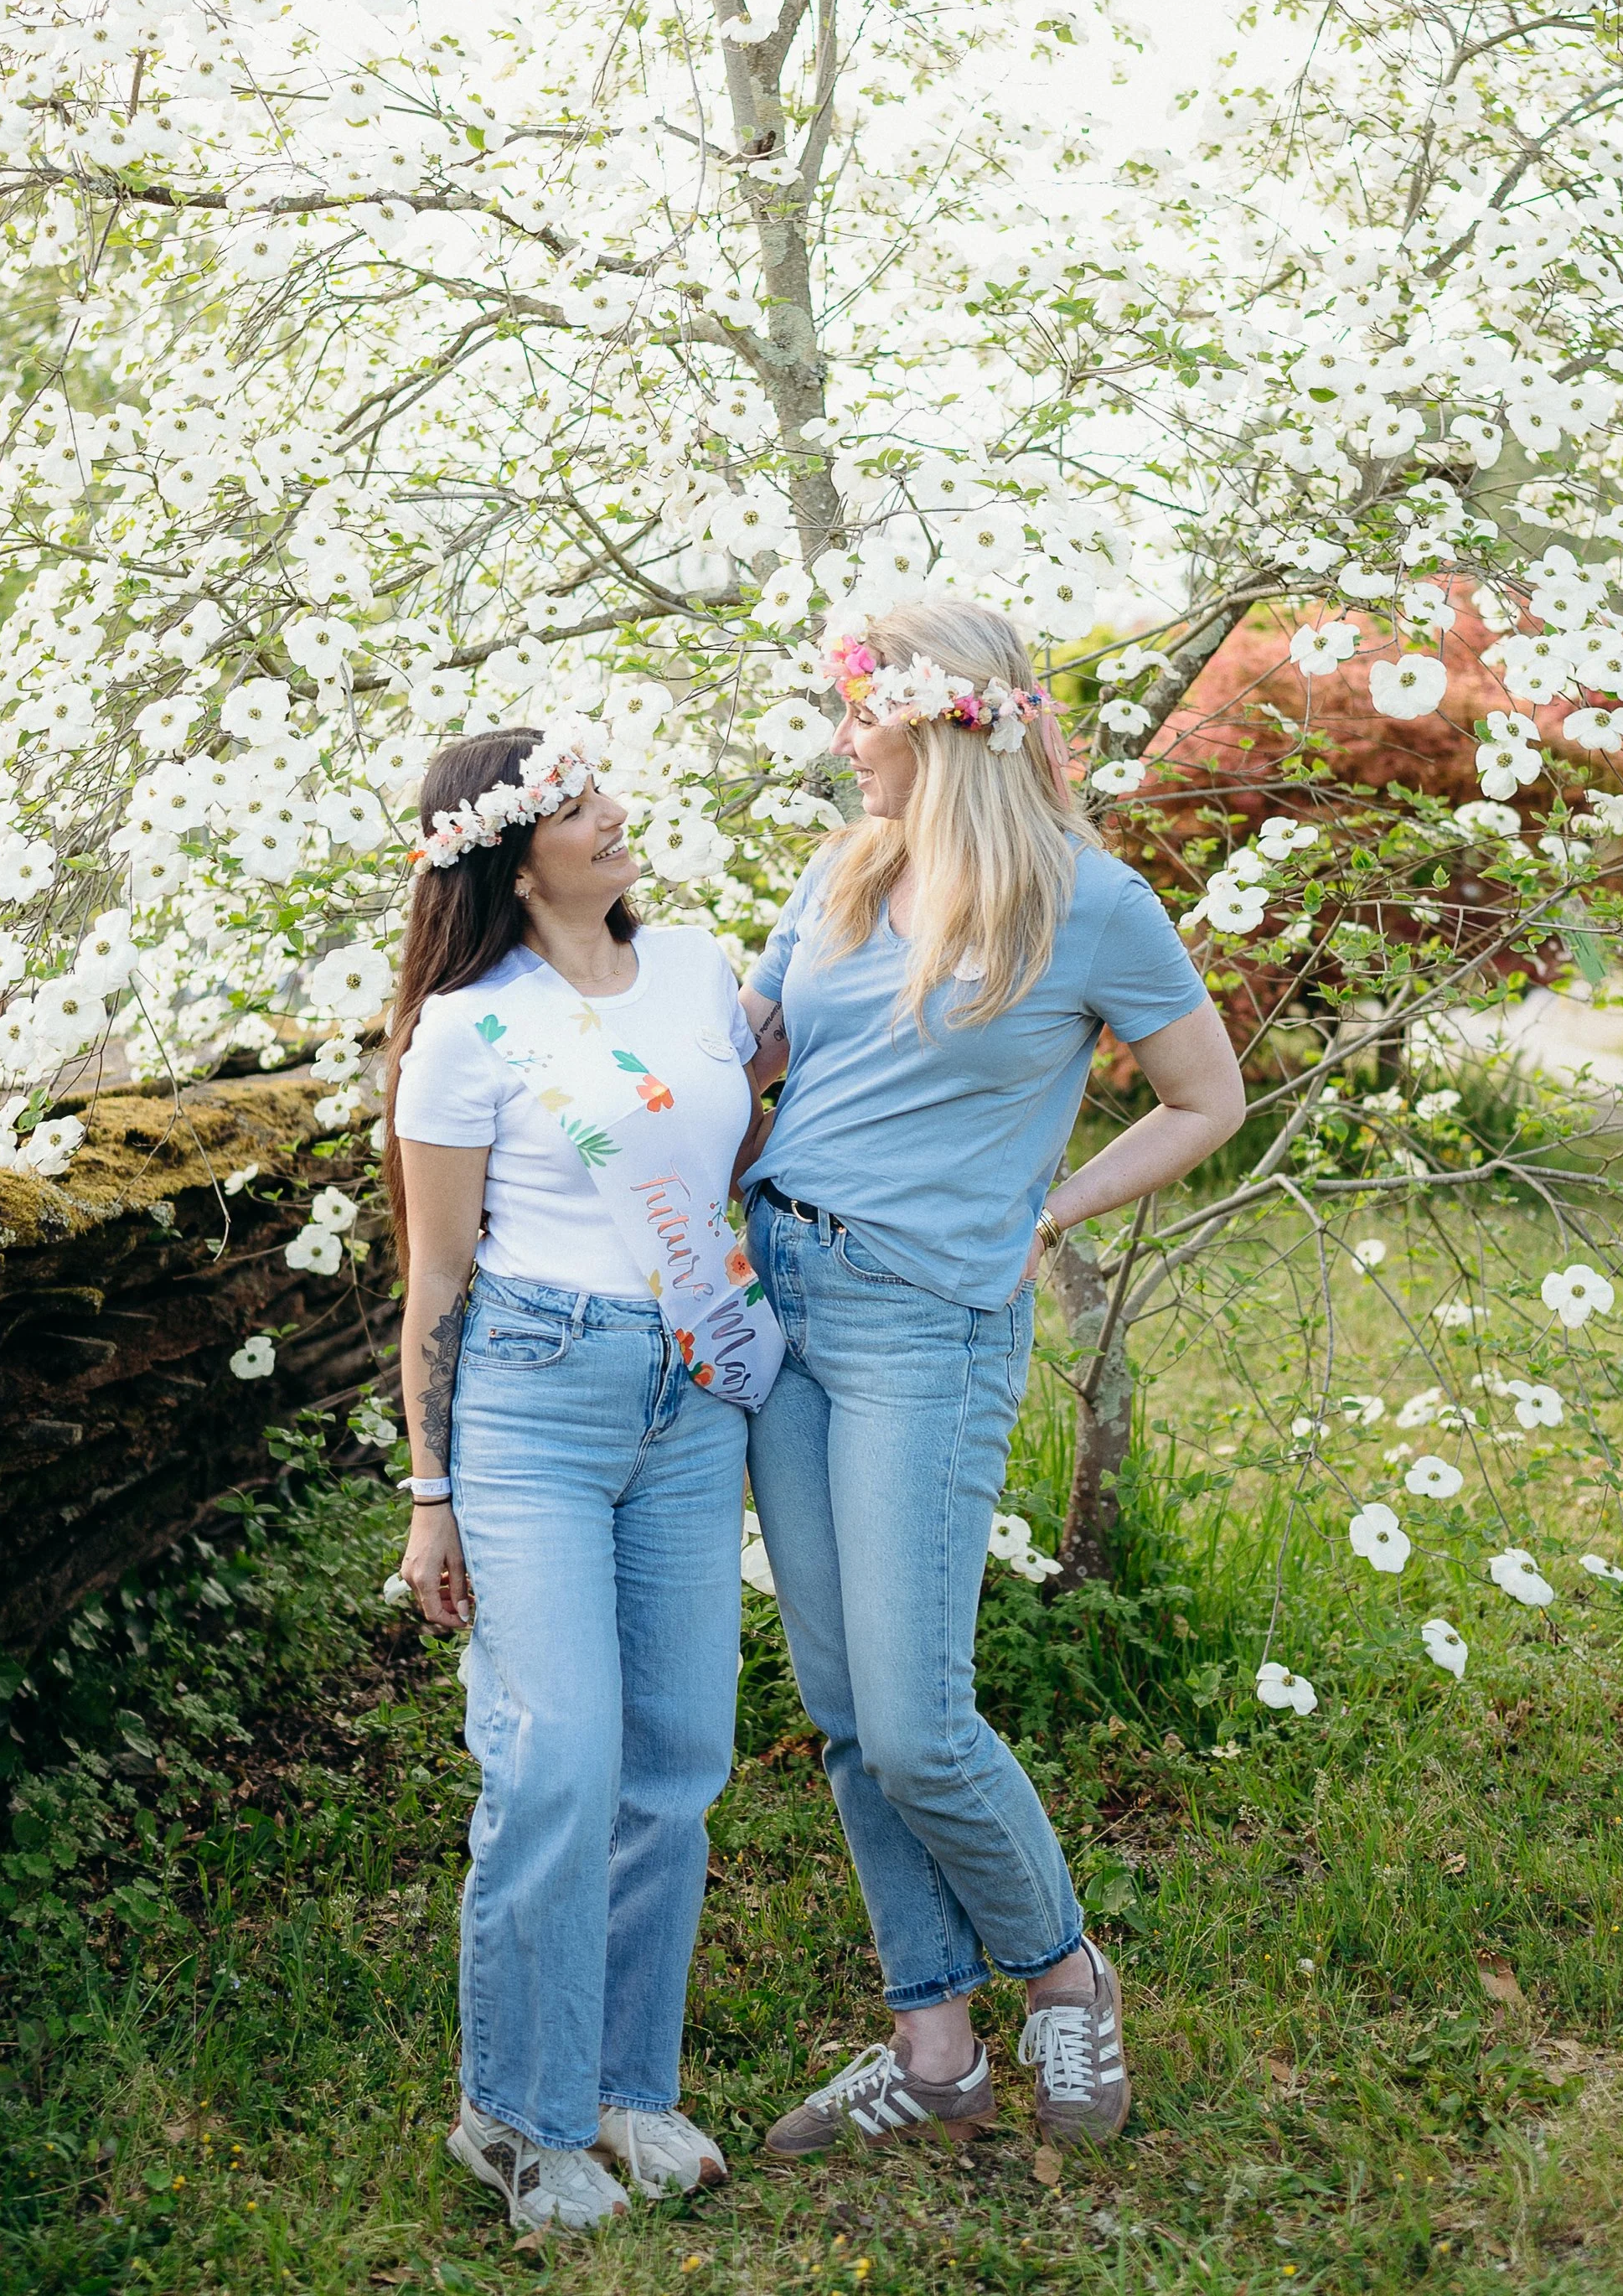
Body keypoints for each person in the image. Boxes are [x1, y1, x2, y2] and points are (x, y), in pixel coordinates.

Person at [737, 596, 1244, 2156]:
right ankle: (934, 2048)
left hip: (925, 1327)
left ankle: (1066, 1982)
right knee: (839, 1708)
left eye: (858, 718)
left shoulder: (1092, 905)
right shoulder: (840, 881)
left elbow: (1202, 1097)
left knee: (916, 1723)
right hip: (786, 1309)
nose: (842, 746)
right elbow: (745, 1067)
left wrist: (1058, 1205)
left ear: (941, 723)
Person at [386, 721, 776, 2234]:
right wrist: (432, 1495)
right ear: (509, 850)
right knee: (556, 1757)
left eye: (600, 787)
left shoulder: (697, 969)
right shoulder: (466, 1029)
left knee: (677, 1759)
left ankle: (629, 2090)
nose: (615, 814)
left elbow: (732, 1144)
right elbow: (433, 1284)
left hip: (690, 1398)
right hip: (534, 1402)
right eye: (575, 802)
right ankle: (519, 2119)